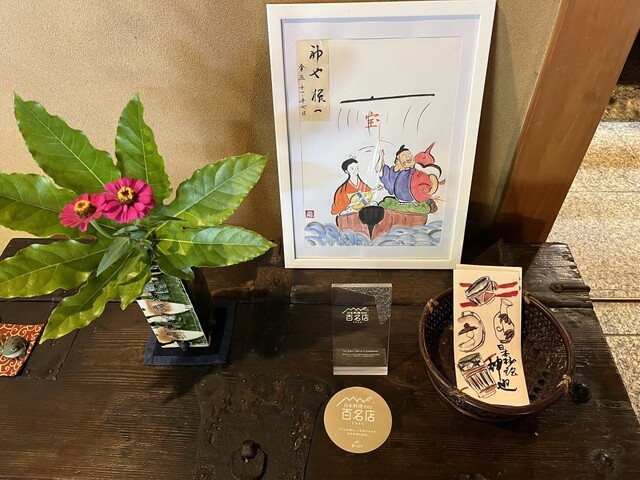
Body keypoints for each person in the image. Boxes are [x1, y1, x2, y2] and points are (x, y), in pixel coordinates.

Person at [376, 143, 442, 203]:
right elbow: (379, 169)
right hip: (402, 199)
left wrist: (433, 188)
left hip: (415, 198)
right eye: (405, 155)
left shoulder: (414, 170)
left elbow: (431, 176)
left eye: (410, 155)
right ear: (397, 159)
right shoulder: (390, 174)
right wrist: (381, 157)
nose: (409, 157)